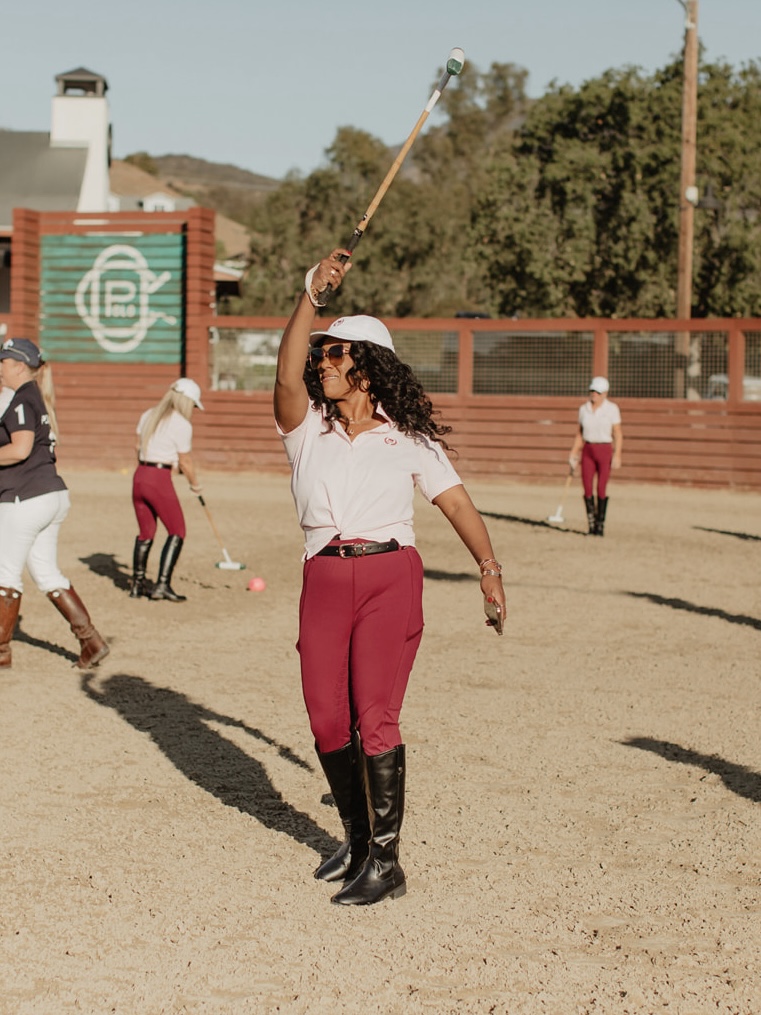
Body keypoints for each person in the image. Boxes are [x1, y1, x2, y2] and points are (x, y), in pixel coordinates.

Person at [274, 249, 506, 907]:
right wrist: (308, 293)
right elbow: (286, 368)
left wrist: (488, 569)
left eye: (338, 352)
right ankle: (354, 839)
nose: (324, 361)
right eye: (323, 352)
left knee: (374, 716)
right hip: (323, 576)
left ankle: (387, 861)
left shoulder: (407, 436)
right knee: (326, 718)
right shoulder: (304, 428)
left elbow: (456, 503)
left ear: (369, 365)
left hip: (389, 576)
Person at [0, 338, 109, 670]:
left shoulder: (20, 401)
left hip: (24, 497)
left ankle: (1, 652)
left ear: (19, 365)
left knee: (5, 575)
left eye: (3, 361)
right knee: (46, 572)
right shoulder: (33, 397)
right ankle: (91, 640)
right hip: (50, 495)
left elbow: (19, 449)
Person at [130, 378, 204, 602]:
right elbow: (185, 462)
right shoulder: (181, 424)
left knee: (146, 532)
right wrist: (195, 484)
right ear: (186, 401)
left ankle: (137, 584)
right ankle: (162, 585)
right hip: (158, 479)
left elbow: (137, 447)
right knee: (177, 530)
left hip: (140, 475)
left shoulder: (148, 414)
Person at [569, 376, 623, 536]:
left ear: (605, 393)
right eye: (592, 391)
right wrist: (573, 453)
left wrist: (617, 454)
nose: (594, 394)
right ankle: (591, 524)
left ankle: (600, 525)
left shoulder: (612, 409)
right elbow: (579, 434)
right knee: (586, 488)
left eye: (598, 392)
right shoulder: (583, 409)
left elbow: (618, 433)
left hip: (605, 449)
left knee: (601, 488)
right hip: (588, 449)